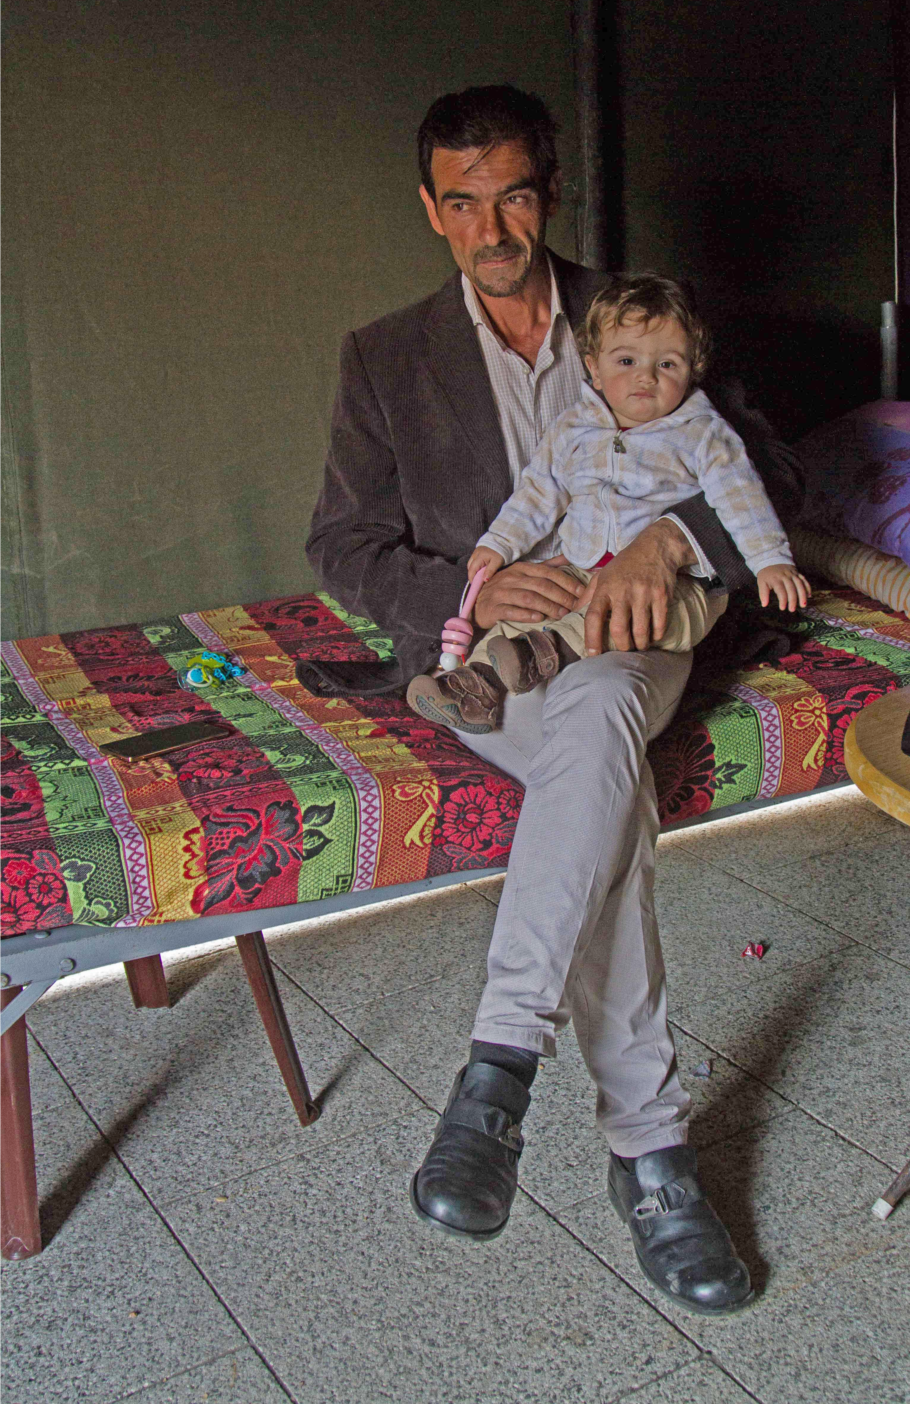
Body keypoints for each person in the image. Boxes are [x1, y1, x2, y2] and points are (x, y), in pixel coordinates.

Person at [307, 85, 802, 1315]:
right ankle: (650, 1152)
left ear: (550, 194)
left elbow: (768, 469)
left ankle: (496, 1077)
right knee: (601, 777)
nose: (493, 227)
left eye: (514, 195)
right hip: (503, 649)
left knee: (604, 708)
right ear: (432, 210)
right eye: (463, 202)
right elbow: (342, 545)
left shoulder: (640, 313)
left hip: (640, 631)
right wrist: (477, 586)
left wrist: (672, 542)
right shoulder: (384, 356)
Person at [407, 274, 810, 732]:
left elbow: (744, 498)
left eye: (667, 364)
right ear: (594, 369)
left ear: (693, 370)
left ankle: (546, 652)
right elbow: (539, 492)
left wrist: (771, 560)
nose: (646, 376)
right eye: (626, 360)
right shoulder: (574, 429)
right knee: (525, 613)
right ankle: (471, 687)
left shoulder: (704, 433)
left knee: (649, 616)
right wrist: (499, 543)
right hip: (582, 567)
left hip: (676, 584)